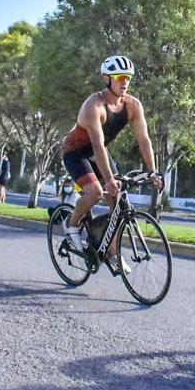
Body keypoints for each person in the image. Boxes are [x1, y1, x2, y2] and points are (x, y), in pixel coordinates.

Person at [61, 55, 162, 272]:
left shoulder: (133, 106)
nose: (125, 82)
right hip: (76, 153)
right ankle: (71, 227)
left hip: (100, 153)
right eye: (120, 77)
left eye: (128, 78)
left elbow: (144, 139)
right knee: (95, 192)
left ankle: (112, 253)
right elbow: (97, 144)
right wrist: (107, 180)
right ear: (107, 79)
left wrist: (152, 171)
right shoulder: (94, 105)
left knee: (118, 202)